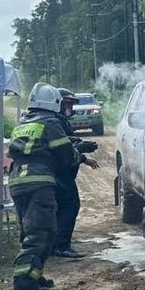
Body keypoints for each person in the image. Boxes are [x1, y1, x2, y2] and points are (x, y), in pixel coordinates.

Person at [8, 83, 81, 290]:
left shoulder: (22, 124)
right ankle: (23, 282)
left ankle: (34, 275)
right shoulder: (50, 123)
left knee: (29, 232)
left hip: (17, 183)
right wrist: (79, 152)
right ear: (54, 103)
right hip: (39, 183)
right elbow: (66, 156)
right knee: (43, 231)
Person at [53, 88, 99, 259]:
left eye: (72, 104)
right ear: (57, 103)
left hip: (59, 173)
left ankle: (54, 244)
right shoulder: (55, 122)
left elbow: (68, 143)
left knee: (58, 209)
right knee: (70, 206)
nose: (70, 107)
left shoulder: (60, 121)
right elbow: (62, 149)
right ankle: (62, 246)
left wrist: (83, 155)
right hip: (59, 174)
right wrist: (80, 150)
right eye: (67, 103)